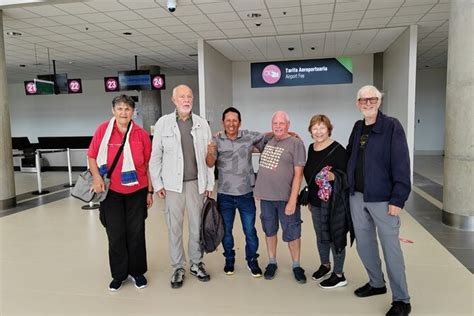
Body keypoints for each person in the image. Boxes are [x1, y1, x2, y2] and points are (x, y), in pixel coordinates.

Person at [347, 85, 411, 316]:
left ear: (379, 101)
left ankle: (402, 300)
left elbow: (402, 164)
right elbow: (348, 156)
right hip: (357, 197)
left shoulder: (392, 126)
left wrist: (398, 198)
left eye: (372, 99)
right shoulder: (358, 127)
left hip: (384, 200)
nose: (368, 103)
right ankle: (376, 283)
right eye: (363, 100)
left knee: (391, 250)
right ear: (358, 104)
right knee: (364, 245)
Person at [149, 84, 214, 289]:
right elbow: (155, 157)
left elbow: (209, 156)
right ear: (174, 100)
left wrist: (209, 183)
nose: (186, 100)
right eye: (182, 97)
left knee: (197, 227)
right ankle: (178, 266)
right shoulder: (163, 123)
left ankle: (196, 263)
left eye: (189, 97)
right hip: (172, 186)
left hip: (197, 184)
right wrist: (158, 183)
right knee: (174, 228)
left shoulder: (202, 124)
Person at [88, 95, 153, 291]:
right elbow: (92, 156)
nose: (123, 112)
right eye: (119, 108)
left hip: (137, 191)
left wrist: (149, 191)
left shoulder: (141, 134)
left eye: (127, 109)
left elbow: (148, 164)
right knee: (115, 233)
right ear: (113, 111)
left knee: (136, 232)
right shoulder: (103, 131)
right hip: (111, 192)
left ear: (133, 112)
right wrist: (97, 177)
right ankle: (119, 274)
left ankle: (137, 271)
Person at [206, 107, 264, 277]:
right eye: (228, 120)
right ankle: (229, 259)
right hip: (225, 194)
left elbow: (267, 136)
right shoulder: (216, 139)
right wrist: (210, 152)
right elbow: (209, 163)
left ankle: (252, 260)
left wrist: (288, 132)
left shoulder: (248, 136)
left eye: (235, 120)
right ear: (223, 122)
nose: (231, 124)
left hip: (246, 194)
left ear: (240, 122)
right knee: (226, 231)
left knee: (250, 231)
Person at [254, 111, 307, 284]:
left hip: (286, 198)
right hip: (266, 197)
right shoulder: (268, 141)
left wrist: (293, 200)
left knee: (292, 232)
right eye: (275, 123)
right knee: (269, 230)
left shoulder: (296, 143)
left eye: (281, 123)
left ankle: (297, 265)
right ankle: (272, 262)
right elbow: (253, 141)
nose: (278, 126)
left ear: (288, 125)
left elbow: (298, 175)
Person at [303, 114, 352, 289]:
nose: (318, 132)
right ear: (310, 131)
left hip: (334, 204)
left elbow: (348, 177)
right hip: (316, 202)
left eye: (322, 128)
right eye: (315, 128)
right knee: (321, 236)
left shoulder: (338, 149)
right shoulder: (311, 147)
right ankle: (325, 265)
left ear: (329, 129)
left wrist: (333, 176)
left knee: (334, 236)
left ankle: (339, 274)